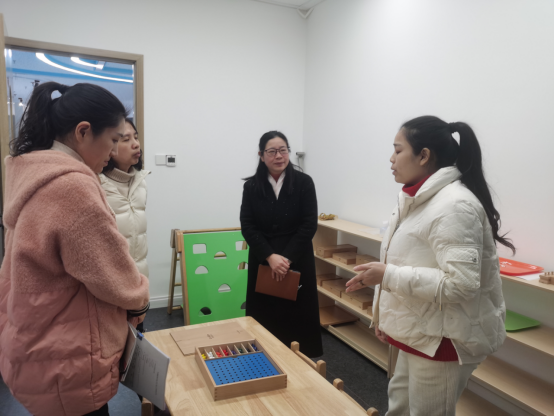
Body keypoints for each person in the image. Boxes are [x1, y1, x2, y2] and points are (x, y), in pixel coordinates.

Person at [0, 82, 150, 416]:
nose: (114, 151)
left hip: (34, 336)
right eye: (113, 139)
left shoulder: (30, 170)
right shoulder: (73, 185)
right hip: (69, 350)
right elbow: (109, 274)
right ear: (83, 132)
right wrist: (140, 298)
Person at [346, 116, 512, 416]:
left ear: (423, 156)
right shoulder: (416, 199)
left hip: (443, 339)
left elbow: (461, 284)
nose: (391, 158)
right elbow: (406, 262)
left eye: (398, 150)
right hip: (419, 331)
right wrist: (384, 316)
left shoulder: (454, 205)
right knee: (399, 406)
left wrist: (387, 276)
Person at [240, 131, 323, 358]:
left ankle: (300, 361)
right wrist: (270, 256)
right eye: (272, 151)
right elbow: (247, 226)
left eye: (283, 150)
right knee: (265, 314)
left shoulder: (304, 182)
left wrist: (285, 258)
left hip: (296, 258)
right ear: (261, 155)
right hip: (263, 258)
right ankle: (263, 358)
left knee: (298, 315)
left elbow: (309, 225)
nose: (279, 156)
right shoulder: (252, 186)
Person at [100, 118, 150, 333]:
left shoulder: (140, 180)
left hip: (139, 277)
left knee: (138, 339)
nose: (136, 144)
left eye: (136, 138)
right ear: (109, 146)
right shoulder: (95, 182)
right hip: (111, 284)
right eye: (126, 139)